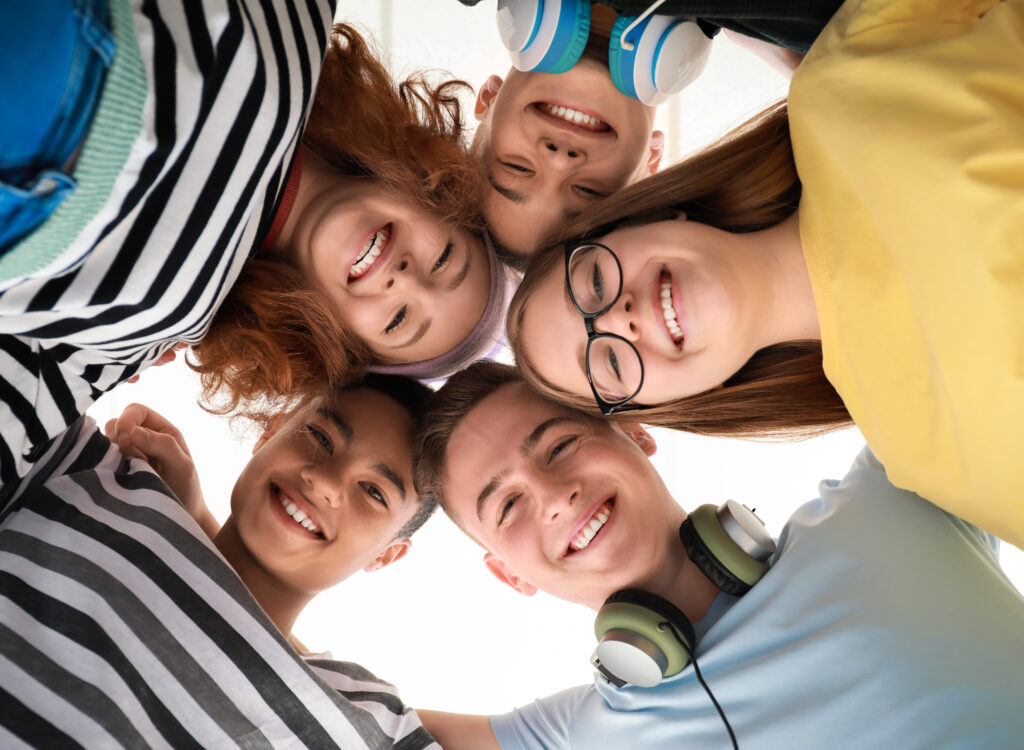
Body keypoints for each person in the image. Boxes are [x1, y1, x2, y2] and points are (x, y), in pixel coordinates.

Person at [506, 0, 1024, 547]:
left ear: (642, 218)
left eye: (592, 284)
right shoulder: (921, 454)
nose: (620, 318)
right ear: (675, 402)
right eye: (607, 361)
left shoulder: (843, 80)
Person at [0, 10, 506, 497]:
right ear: (433, 190)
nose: (406, 281)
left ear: (339, 342)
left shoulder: (156, 330)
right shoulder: (298, 29)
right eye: (443, 259)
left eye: (398, 320)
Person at [411, 361, 1024, 750]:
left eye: (560, 445)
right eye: (508, 506)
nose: (553, 496)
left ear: (636, 432)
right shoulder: (574, 737)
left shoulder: (891, 497)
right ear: (508, 574)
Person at [0, 374, 441, 748]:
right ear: (271, 433)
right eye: (320, 437)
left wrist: (202, 525)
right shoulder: (93, 471)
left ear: (388, 555)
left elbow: (514, 731)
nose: (324, 480)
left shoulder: (373, 725)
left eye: (374, 491)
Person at [455, 0, 843, 263]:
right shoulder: (828, 20)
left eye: (517, 169)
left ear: (487, 100)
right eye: (589, 191)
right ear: (653, 156)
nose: (559, 160)